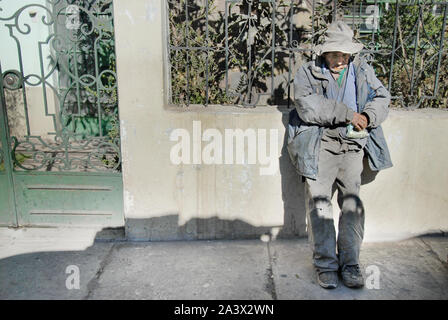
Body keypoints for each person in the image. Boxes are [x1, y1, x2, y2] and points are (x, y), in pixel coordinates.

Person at [289, 21, 393, 289]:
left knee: (352, 203)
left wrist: (368, 116)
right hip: (321, 143)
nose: (340, 60)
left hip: (353, 146)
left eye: (345, 55)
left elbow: (382, 96)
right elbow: (307, 106)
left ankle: (351, 264)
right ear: (324, 53)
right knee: (320, 203)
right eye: (335, 54)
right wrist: (348, 114)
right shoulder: (308, 72)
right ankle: (325, 265)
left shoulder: (361, 69)